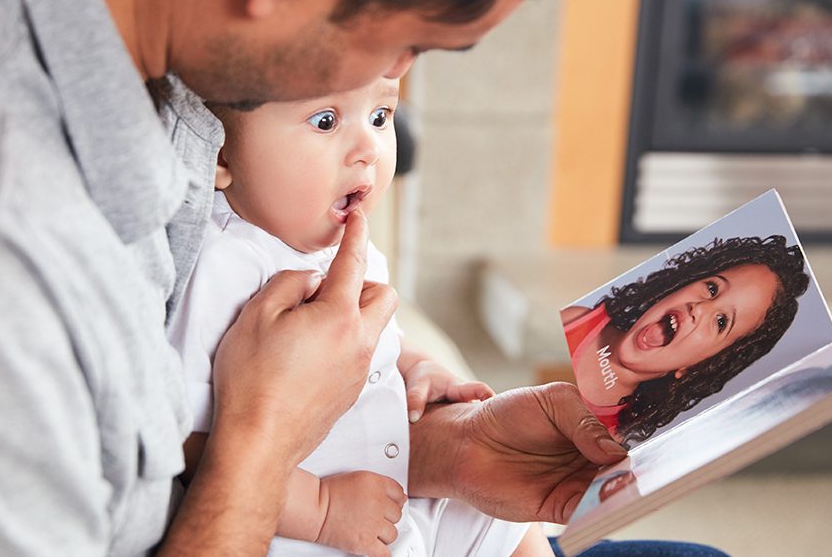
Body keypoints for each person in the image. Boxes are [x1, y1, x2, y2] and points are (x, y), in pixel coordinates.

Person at [0, 0, 639, 555]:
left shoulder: (158, 43)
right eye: (404, 41)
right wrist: (262, 444)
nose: (391, 79)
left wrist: (444, 451)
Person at [167, 76, 553, 556]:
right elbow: (183, 438)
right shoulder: (223, 263)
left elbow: (375, 333)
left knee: (500, 520)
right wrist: (321, 507)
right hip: (297, 529)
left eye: (380, 117)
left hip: (395, 499)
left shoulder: (350, 245)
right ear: (221, 155)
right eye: (325, 121)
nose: (369, 147)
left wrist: (416, 366)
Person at [560, 236, 809, 445]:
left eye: (721, 321)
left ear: (705, 363)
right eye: (712, 289)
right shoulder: (575, 320)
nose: (700, 309)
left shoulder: (607, 439)